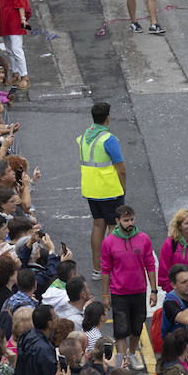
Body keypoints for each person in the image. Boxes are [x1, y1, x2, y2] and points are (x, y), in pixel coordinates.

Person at [77, 101, 125, 302]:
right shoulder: (109, 139)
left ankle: (97, 268)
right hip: (109, 189)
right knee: (113, 227)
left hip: (91, 188)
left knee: (98, 225)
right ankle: (111, 269)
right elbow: (120, 168)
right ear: (108, 117)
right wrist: (122, 189)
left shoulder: (86, 136)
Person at [100, 204, 157, 370]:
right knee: (121, 329)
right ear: (117, 221)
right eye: (126, 220)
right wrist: (105, 295)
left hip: (139, 291)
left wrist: (153, 291)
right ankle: (122, 360)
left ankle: (131, 353)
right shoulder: (108, 242)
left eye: (132, 219)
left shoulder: (144, 238)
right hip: (119, 293)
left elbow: (150, 265)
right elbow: (105, 270)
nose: (130, 223)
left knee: (137, 327)